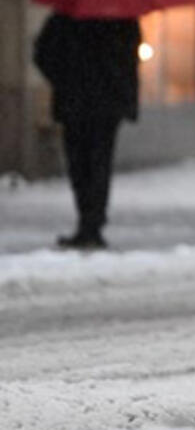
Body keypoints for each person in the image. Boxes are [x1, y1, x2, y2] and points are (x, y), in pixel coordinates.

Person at [31, 13, 142, 251]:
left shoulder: (66, 17)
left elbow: (42, 54)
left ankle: (89, 222)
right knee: (97, 162)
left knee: (82, 163)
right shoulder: (121, 19)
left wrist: (63, 79)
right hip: (101, 103)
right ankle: (92, 222)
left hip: (78, 101)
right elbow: (131, 59)